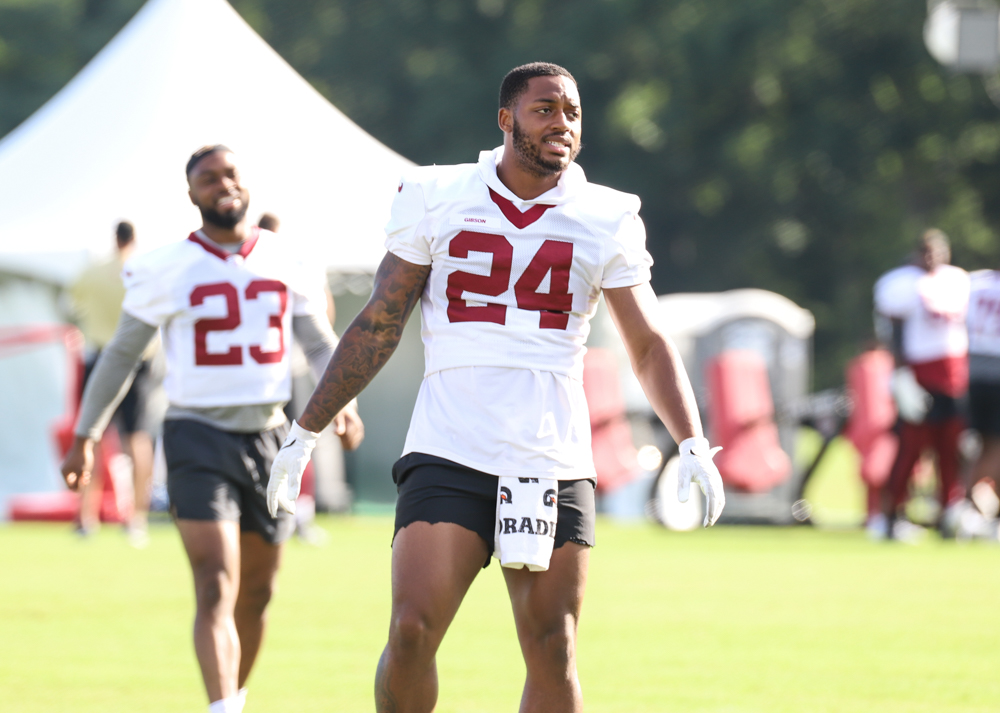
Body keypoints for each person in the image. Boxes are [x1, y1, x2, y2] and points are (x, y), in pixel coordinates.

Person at [267, 62, 725, 713]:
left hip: (550, 455)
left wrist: (693, 441)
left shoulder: (606, 215)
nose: (561, 124)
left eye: (571, 112)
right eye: (544, 110)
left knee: (553, 645)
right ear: (506, 119)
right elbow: (380, 321)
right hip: (451, 445)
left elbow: (647, 342)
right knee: (410, 629)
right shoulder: (435, 193)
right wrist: (306, 429)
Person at [60, 145, 364, 713]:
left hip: (272, 437)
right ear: (191, 193)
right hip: (196, 435)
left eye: (231, 174)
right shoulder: (164, 265)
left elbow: (319, 343)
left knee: (258, 591)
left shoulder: (285, 256)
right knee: (216, 584)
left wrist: (341, 399)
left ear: (247, 184)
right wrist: (86, 434)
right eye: (208, 178)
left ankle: (232, 700)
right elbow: (122, 355)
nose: (222, 185)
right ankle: (222, 707)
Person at [68, 220, 160, 546]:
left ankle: (86, 517)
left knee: (91, 437)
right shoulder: (143, 271)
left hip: (98, 357)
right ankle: (136, 519)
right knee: (138, 439)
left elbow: (72, 306)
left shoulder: (91, 272)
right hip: (137, 362)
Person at [874, 229, 970, 539]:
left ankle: (949, 512)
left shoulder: (957, 280)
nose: (932, 258)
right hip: (919, 374)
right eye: (926, 251)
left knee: (950, 449)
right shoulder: (902, 284)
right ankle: (890, 516)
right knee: (912, 449)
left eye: (937, 251)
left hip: (953, 375)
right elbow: (894, 331)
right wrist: (901, 374)